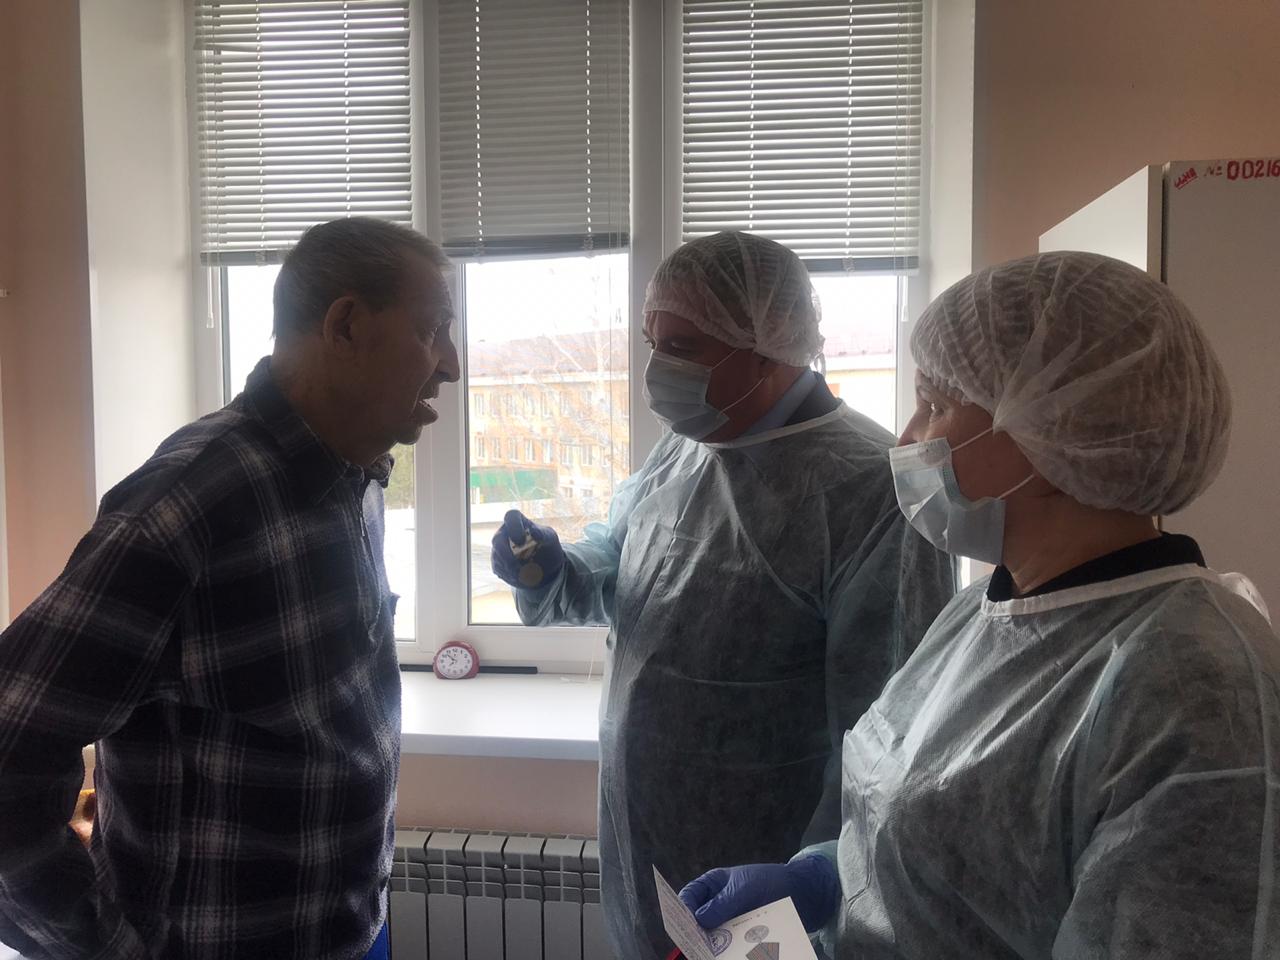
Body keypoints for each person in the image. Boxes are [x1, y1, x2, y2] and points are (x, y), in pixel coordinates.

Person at [678, 251, 1280, 958]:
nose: (907, 437)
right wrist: (825, 877)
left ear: (1051, 428)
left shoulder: (1194, 690)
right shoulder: (983, 613)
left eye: (935, 404)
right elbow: (947, 842)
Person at [0, 217, 459, 960]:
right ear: (346, 325)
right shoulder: (187, 506)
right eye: (433, 330)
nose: (452, 366)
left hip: (353, 930)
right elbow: (9, 748)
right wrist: (101, 948)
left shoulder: (357, 477)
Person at [490, 231, 956, 959]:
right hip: (643, 849)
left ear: (769, 348)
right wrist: (557, 573)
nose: (658, 370)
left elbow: (889, 735)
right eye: (653, 343)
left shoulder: (867, 492)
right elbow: (629, 572)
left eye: (683, 347)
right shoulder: (687, 444)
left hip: (773, 880)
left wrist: (824, 879)